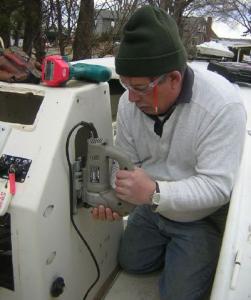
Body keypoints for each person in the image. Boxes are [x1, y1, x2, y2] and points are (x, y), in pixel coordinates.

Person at [92, 5, 247, 300]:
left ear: (174, 78)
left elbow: (217, 187)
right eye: (125, 85)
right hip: (151, 209)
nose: (130, 98)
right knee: (132, 264)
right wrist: (116, 199)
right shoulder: (129, 101)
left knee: (178, 295)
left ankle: (192, 254)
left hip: (200, 218)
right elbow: (126, 164)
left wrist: (154, 193)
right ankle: (176, 254)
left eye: (139, 88)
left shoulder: (222, 106)